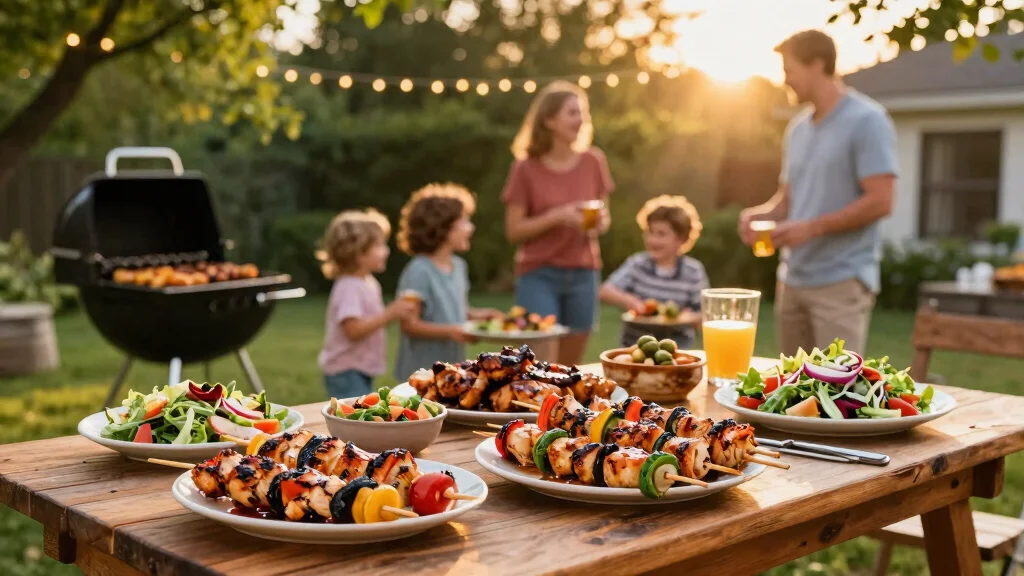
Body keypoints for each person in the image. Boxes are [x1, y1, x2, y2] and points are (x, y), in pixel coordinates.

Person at [739, 30, 897, 355]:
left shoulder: (867, 121)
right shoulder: (797, 129)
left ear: (817, 65)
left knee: (837, 383)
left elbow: (881, 201)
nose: (785, 80)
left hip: (841, 282)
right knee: (792, 382)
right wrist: (758, 215)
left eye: (789, 70)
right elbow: (787, 200)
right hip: (792, 281)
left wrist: (811, 228)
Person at [502, 80, 614, 366]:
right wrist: (557, 216)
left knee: (568, 368)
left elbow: (604, 221)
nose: (580, 119)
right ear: (549, 120)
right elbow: (514, 231)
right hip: (539, 273)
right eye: (572, 113)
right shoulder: (525, 168)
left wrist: (597, 222)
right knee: (539, 365)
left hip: (583, 273)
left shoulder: (593, 161)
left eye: (582, 113)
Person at [393, 183, 502, 381]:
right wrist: (453, 332)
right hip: (421, 373)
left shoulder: (459, 266)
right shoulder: (419, 270)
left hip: (451, 370)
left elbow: (456, 310)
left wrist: (479, 317)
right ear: (442, 227)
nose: (471, 228)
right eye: (465, 221)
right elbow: (409, 324)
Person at [317, 210, 418, 399]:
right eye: (379, 246)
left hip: (358, 369)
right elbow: (353, 330)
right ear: (358, 254)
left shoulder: (368, 282)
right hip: (346, 370)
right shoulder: (349, 286)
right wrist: (390, 314)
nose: (386, 251)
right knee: (356, 413)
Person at [600, 195, 709, 348]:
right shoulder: (638, 263)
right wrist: (630, 301)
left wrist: (686, 317)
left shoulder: (693, 271)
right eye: (650, 232)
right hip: (634, 345)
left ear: (681, 239)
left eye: (661, 234)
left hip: (676, 348)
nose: (653, 240)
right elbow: (605, 291)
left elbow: (705, 314)